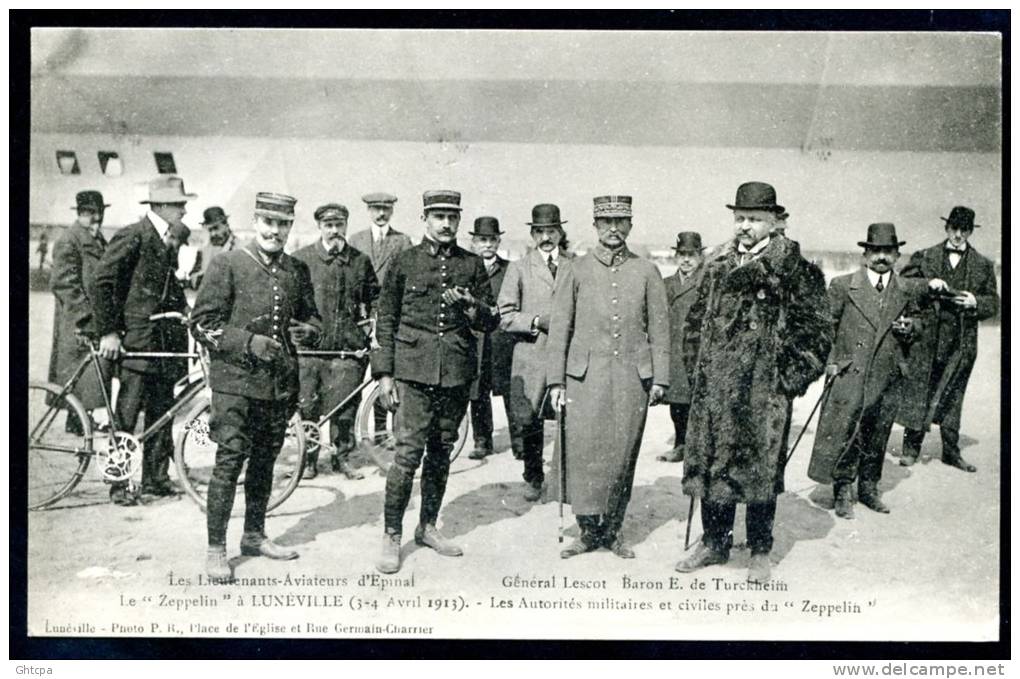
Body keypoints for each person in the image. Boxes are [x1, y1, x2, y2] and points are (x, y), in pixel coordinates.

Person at [676, 181, 831, 583]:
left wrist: (784, 380)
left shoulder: (796, 271)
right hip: (714, 391)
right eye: (739, 218)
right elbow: (694, 325)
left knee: (761, 473)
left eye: (754, 219)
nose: (744, 226)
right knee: (713, 469)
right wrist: (700, 373)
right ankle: (714, 543)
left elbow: (816, 334)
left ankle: (760, 550)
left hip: (764, 394)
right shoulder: (715, 268)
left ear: (774, 223)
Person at [190, 192, 321, 582]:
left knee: (266, 462)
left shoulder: (296, 270)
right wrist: (248, 343)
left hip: (276, 385)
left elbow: (311, 317)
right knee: (230, 462)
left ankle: (254, 535)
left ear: (290, 227)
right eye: (268, 222)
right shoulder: (228, 264)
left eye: (282, 224)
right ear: (255, 222)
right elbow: (202, 324)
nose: (274, 231)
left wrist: (310, 331)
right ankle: (216, 549)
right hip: (234, 384)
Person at [372, 190, 498, 574]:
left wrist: (471, 306)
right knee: (407, 456)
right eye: (438, 216)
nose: (446, 224)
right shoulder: (405, 261)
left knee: (441, 453)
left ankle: (427, 526)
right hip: (412, 374)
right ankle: (392, 535)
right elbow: (386, 319)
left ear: (459, 221)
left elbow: (489, 320)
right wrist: (384, 374)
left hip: (455, 375)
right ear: (425, 219)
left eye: (452, 217)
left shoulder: (472, 265)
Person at [547, 195, 670, 560]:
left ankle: (613, 531)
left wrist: (660, 378)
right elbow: (559, 330)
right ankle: (587, 531)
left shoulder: (647, 272)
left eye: (620, 222)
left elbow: (660, 330)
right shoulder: (576, 269)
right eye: (606, 223)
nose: (613, 229)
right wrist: (556, 381)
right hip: (585, 380)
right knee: (584, 455)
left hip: (632, 380)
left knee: (622, 454)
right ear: (595, 226)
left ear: (630, 225)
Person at [807, 223, 925, 518]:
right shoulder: (843, 285)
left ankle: (869, 488)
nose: (882, 257)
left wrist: (911, 327)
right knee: (847, 429)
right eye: (876, 251)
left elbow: (920, 322)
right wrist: (831, 362)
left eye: (888, 251)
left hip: (888, 373)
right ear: (865, 254)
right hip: (850, 373)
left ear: (897, 256)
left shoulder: (906, 290)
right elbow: (825, 328)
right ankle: (843, 489)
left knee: (878, 432)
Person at [93, 176, 194, 506]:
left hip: (164, 344)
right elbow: (101, 283)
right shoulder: (134, 235)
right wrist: (109, 331)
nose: (184, 209)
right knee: (127, 414)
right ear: (162, 206)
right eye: (179, 204)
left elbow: (168, 289)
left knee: (162, 411)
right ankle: (119, 484)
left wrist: (188, 312)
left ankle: (155, 479)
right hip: (138, 342)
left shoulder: (166, 238)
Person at [896, 206, 999, 472]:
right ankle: (910, 449)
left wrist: (976, 301)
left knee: (954, 395)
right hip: (927, 340)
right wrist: (928, 284)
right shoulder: (925, 256)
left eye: (964, 230)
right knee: (920, 390)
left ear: (970, 231)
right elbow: (903, 285)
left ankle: (951, 452)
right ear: (946, 228)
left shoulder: (983, 265)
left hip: (961, 342)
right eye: (954, 228)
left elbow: (994, 303)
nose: (958, 235)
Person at [292, 203, 380, 479]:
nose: (334, 231)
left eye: (339, 225)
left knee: (345, 408)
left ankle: (341, 458)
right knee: (308, 407)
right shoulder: (301, 260)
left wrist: (370, 329)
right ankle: (307, 461)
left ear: (346, 226)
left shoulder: (360, 261)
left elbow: (375, 298)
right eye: (328, 226)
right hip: (310, 351)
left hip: (347, 350)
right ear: (319, 227)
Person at [498, 204, 574, 501]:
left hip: (567, 354)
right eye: (540, 231)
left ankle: (565, 479)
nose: (546, 237)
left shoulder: (574, 265)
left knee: (568, 417)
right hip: (531, 354)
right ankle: (533, 476)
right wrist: (536, 321)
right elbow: (505, 315)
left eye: (551, 231)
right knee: (530, 420)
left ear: (560, 232)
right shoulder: (519, 268)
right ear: (532, 234)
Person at [349, 192, 415, 439]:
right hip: (360, 321)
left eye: (385, 209)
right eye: (376, 209)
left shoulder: (403, 241)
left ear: (392, 211)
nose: (380, 214)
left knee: (387, 377)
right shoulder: (355, 240)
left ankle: (382, 435)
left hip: (390, 321)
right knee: (353, 380)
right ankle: (346, 442)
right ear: (368, 211)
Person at [47, 191, 113, 433]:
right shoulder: (69, 240)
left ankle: (80, 419)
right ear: (79, 213)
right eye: (89, 213)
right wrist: (85, 314)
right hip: (77, 320)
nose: (96, 218)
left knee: (90, 370)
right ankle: (77, 419)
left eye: (99, 213)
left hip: (89, 316)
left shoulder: (96, 239)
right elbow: (63, 282)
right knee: (80, 369)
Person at [465, 216, 516, 460]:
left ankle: (520, 443)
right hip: (475, 341)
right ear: (473, 242)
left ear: (498, 242)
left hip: (502, 340)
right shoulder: (466, 269)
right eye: (481, 240)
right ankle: (482, 441)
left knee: (509, 391)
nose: (487, 245)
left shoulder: (509, 270)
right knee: (478, 392)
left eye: (491, 240)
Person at [657, 231, 705, 463]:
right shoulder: (666, 284)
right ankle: (680, 444)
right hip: (673, 350)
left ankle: (695, 448)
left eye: (692, 255)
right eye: (682, 254)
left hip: (696, 350)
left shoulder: (706, 284)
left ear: (700, 257)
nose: (686, 260)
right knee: (676, 403)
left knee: (696, 402)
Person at [188, 206, 236, 289]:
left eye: (216, 228)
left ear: (226, 225)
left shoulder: (240, 248)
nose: (213, 234)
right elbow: (193, 276)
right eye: (210, 230)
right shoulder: (203, 251)